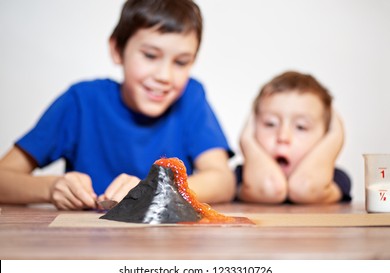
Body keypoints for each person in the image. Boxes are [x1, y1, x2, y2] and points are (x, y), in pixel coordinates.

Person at [0, 0, 235, 210]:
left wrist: (158, 189)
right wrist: (50, 188)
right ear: (117, 50)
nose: (165, 75)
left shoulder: (190, 97)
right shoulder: (81, 102)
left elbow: (223, 180)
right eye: (150, 56)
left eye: (182, 62)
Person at [236, 71, 351, 204]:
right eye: (270, 123)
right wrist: (247, 141)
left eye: (301, 127)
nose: (283, 137)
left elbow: (305, 188)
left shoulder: (335, 178)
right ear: (252, 127)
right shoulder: (240, 176)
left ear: (324, 139)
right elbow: (269, 189)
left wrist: (335, 136)